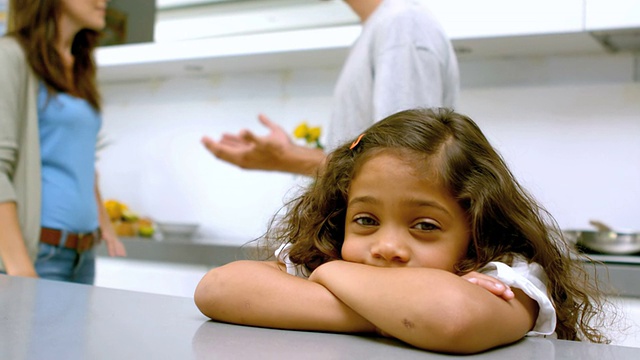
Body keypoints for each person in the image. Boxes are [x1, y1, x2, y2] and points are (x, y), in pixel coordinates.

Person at [195, 108, 611, 354]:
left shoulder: (506, 275)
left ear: (477, 229)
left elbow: (451, 318)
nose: (387, 247)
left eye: (425, 226)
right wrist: (396, 315)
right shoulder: (334, 253)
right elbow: (218, 289)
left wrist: (331, 275)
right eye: (365, 220)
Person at [201, 0, 459, 176]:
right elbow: (387, 163)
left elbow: (406, 167)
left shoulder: (402, 26)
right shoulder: (385, 26)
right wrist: (290, 155)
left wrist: (289, 159)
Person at [0, 0, 126, 284]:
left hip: (84, 253)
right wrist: (19, 267)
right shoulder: (10, 56)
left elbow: (80, 157)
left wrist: (103, 220)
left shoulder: (81, 65)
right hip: (39, 254)